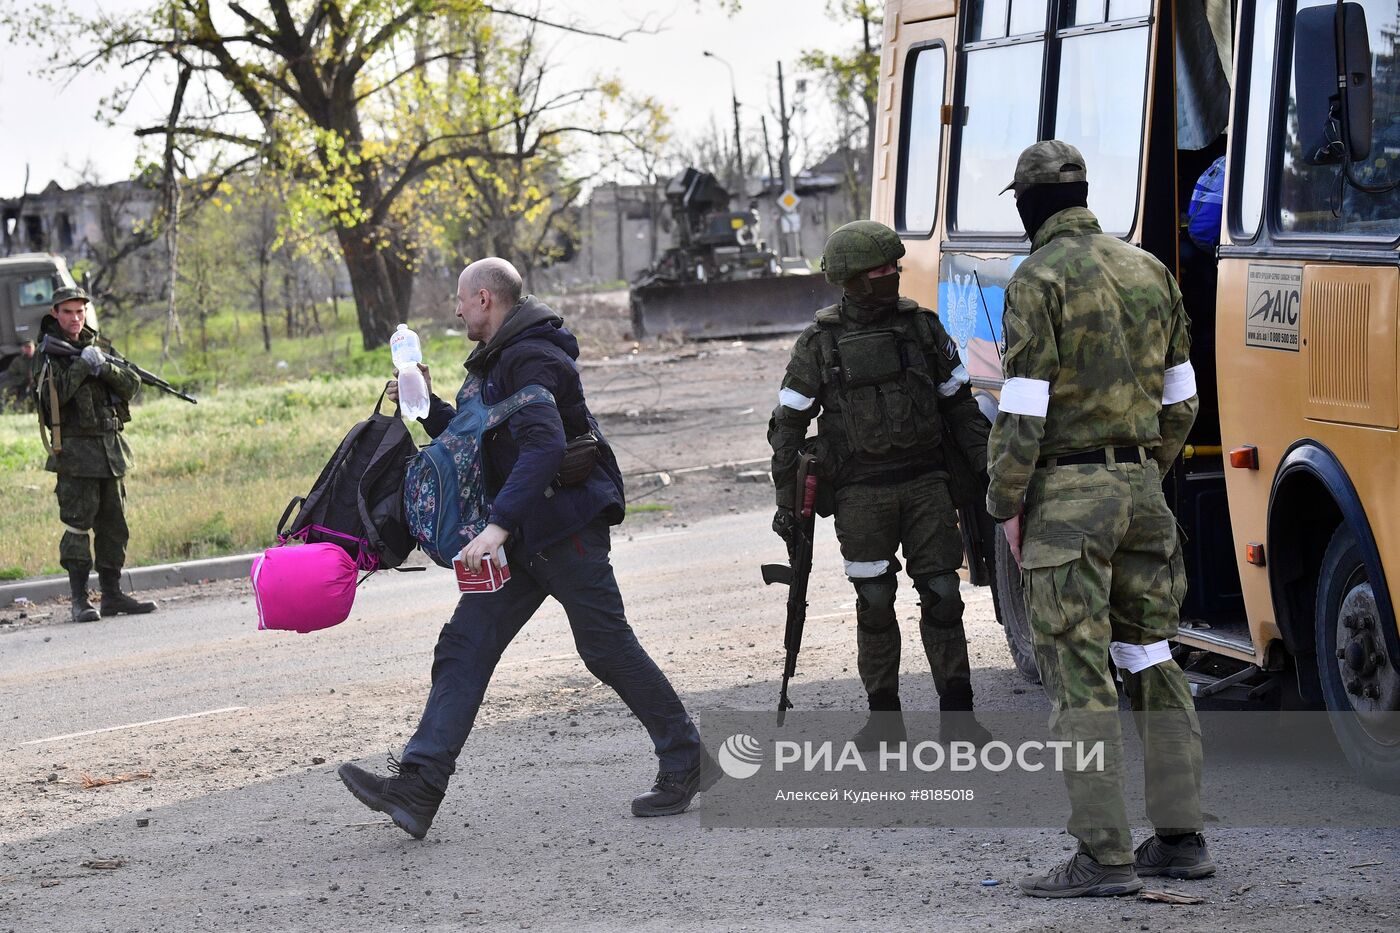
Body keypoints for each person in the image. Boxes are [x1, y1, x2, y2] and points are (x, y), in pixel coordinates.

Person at [338, 258, 716, 839]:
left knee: (606, 649)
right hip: (523, 536)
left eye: (461, 301)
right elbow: (479, 440)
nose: (456, 310)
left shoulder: (531, 356)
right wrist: (428, 406)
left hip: (564, 529)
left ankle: (685, 757)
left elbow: (544, 445)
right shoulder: (499, 358)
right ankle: (418, 787)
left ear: (485, 299)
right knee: (465, 644)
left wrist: (496, 528)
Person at [985, 140, 1213, 898]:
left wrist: (1005, 503)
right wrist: (1144, 467)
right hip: (1144, 489)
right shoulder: (1150, 268)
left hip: (1066, 502)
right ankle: (1180, 840)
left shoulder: (1036, 279)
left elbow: (1023, 408)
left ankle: (1104, 856)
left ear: (1025, 207)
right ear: (1084, 193)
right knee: (1151, 657)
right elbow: (1183, 399)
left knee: (1080, 678)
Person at [768, 220, 994, 749]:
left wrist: (988, 469)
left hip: (926, 486)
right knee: (873, 602)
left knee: (943, 595)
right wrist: (786, 504)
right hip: (859, 496)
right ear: (851, 278)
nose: (891, 275)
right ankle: (883, 721)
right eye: (879, 270)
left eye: (894, 267)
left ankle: (959, 720)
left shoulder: (923, 328)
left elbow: (959, 406)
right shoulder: (819, 344)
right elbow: (788, 426)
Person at [37, 286, 158, 623]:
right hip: (75, 454)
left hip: (110, 452)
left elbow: (131, 385)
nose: (75, 319)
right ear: (55, 315)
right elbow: (52, 398)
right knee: (77, 528)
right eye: (67, 312)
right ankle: (79, 600)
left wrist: (103, 367)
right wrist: (80, 368)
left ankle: (113, 595)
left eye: (80, 312)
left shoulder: (100, 347)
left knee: (114, 527)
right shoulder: (48, 354)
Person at [1, 340, 37, 411]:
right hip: (21, 385)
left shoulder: (39, 359)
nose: (28, 349)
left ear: (34, 347)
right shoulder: (18, 360)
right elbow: (11, 374)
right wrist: (22, 380)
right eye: (26, 347)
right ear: (23, 349)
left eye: (29, 347)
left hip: (36, 384)